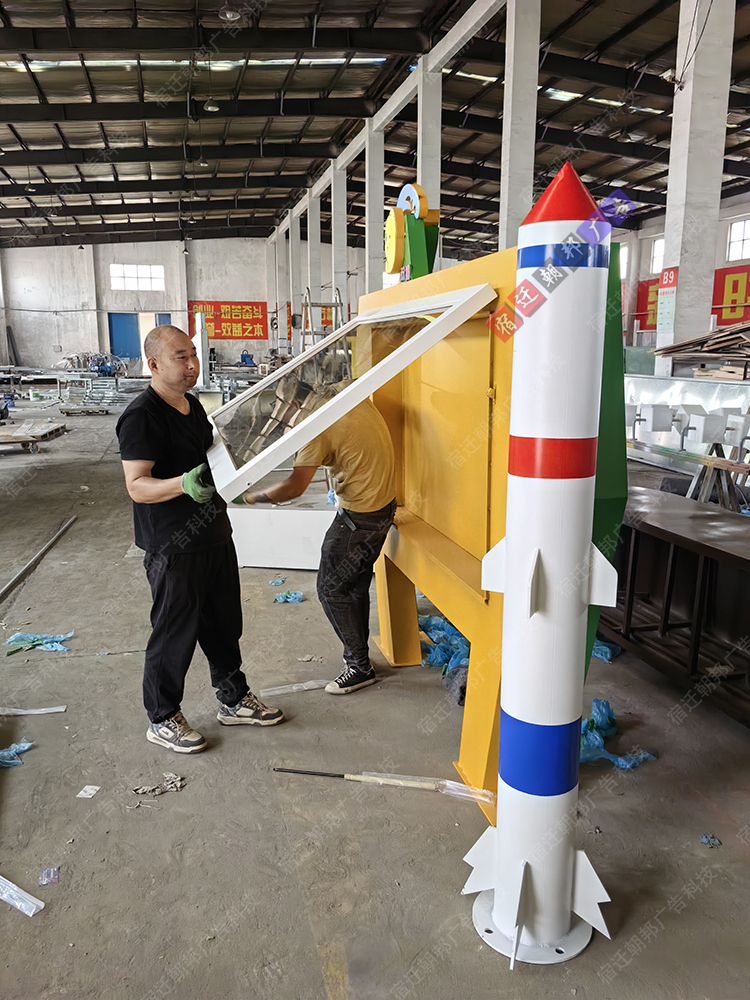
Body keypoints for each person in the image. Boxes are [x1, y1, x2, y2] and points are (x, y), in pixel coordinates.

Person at [116, 324, 285, 754]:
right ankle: (162, 717)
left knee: (224, 625)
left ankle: (233, 698)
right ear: (154, 364)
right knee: (174, 633)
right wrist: (182, 484)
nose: (192, 365)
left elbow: (211, 458)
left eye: (193, 355)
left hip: (213, 534)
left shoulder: (192, 405)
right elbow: (137, 485)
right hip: (173, 546)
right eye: (181, 358)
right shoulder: (141, 416)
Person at [238, 394, 396, 695]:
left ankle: (359, 667)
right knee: (355, 585)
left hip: (359, 517)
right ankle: (360, 658)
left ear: (293, 405)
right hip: (383, 507)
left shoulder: (316, 427)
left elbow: (294, 487)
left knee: (330, 589)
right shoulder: (346, 393)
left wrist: (250, 497)